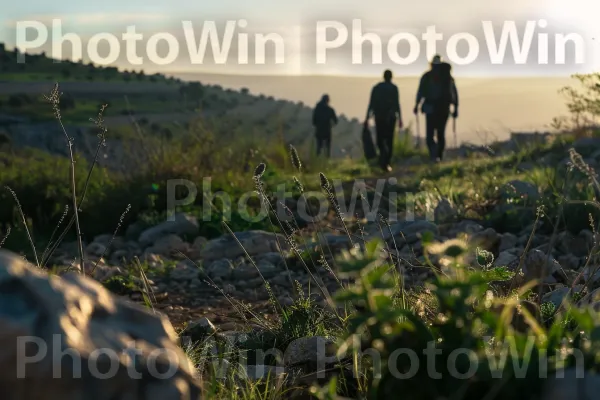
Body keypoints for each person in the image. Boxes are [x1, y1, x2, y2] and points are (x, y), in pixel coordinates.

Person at [414, 55, 459, 162]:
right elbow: (454, 94)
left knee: (430, 134)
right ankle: (439, 155)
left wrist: (416, 105)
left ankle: (434, 155)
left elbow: (420, 92)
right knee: (440, 133)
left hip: (430, 108)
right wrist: (456, 108)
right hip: (444, 108)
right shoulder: (448, 78)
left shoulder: (427, 76)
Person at [364, 69, 403, 172]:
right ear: (391, 77)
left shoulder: (376, 88)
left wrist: (367, 118)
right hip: (390, 117)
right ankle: (386, 161)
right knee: (389, 140)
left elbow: (371, 104)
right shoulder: (394, 88)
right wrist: (400, 118)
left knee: (380, 139)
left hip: (379, 117)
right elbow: (397, 104)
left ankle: (383, 158)